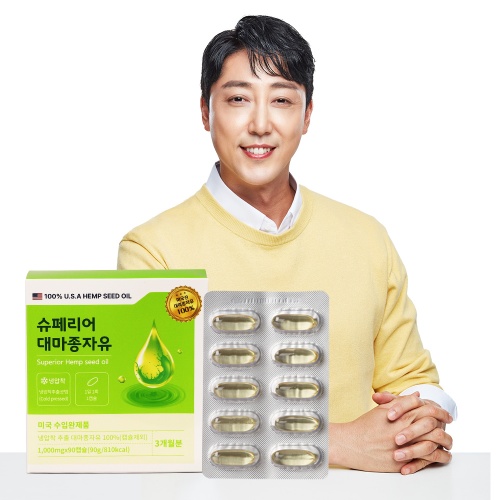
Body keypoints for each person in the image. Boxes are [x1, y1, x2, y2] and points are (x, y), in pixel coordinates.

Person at [117, 15, 456, 474]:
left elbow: (413, 380)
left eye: (281, 100)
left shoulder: (366, 237)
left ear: (307, 114)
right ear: (205, 112)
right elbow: (155, 417)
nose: (260, 124)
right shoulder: (153, 250)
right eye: (238, 99)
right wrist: (337, 442)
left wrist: (419, 423)